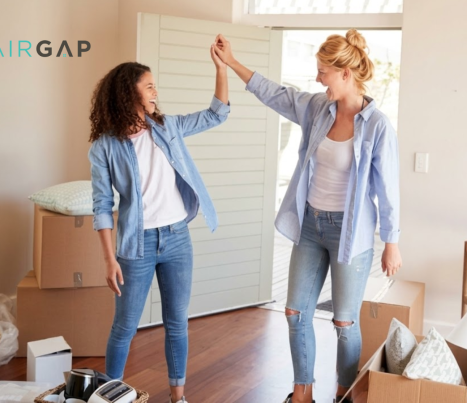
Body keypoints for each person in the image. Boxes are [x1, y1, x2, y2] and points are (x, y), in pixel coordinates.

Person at [213, 30, 402, 403]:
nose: (318, 79)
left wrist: (392, 243)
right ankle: (302, 394)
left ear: (345, 73)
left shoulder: (377, 127)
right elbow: (274, 93)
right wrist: (231, 62)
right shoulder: (318, 108)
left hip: (351, 234)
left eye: (323, 72)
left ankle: (344, 393)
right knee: (295, 312)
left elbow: (388, 191)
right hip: (311, 225)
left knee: (344, 322)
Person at [88, 42, 229, 403]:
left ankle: (177, 397)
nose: (155, 91)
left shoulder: (168, 128)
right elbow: (103, 206)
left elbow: (217, 114)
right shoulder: (105, 146)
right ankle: (107, 396)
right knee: (125, 327)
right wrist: (108, 259)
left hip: (178, 238)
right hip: (136, 244)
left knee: (176, 322)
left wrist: (221, 66)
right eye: (149, 86)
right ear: (128, 93)